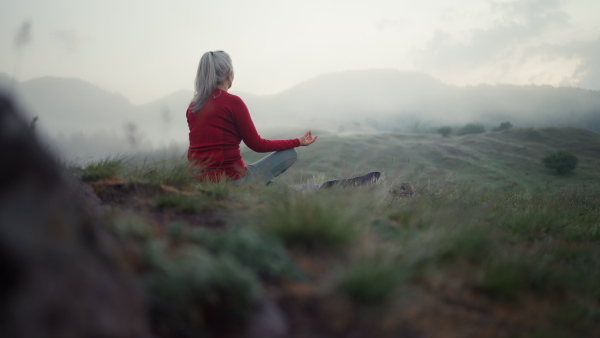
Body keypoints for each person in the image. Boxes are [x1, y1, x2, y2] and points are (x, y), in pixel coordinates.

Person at [186, 51, 318, 184]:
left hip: (198, 182)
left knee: (266, 182)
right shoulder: (232, 102)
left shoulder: (193, 107)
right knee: (289, 153)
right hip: (232, 179)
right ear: (229, 73)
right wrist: (297, 141)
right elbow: (257, 144)